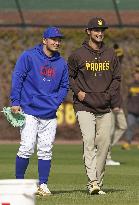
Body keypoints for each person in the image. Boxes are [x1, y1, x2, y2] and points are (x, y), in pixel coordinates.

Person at [10, 27, 69, 196]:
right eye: (53, 39)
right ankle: (19, 183)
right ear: (44, 40)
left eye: (59, 40)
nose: (57, 42)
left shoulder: (61, 63)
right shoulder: (29, 56)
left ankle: (43, 184)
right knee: (27, 147)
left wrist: (56, 102)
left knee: (45, 149)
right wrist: (15, 101)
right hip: (29, 109)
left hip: (49, 113)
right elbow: (18, 77)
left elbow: (65, 86)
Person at [68, 17, 121, 195]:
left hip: (104, 107)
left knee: (104, 146)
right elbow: (70, 77)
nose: (99, 33)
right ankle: (92, 182)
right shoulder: (77, 55)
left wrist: (109, 96)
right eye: (96, 30)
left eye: (102, 30)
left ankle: (98, 182)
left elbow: (117, 78)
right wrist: (79, 92)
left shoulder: (111, 54)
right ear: (88, 31)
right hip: (84, 106)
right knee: (89, 141)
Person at [106, 43, 127, 165]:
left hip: (116, 103)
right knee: (110, 130)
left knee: (123, 126)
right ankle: (106, 157)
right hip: (111, 105)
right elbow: (111, 89)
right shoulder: (111, 69)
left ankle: (103, 149)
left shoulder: (117, 68)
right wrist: (114, 105)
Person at [122, 66, 139, 150]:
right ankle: (127, 143)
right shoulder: (130, 85)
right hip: (132, 111)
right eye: (136, 74)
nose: (137, 76)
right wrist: (127, 107)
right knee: (129, 126)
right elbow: (126, 98)